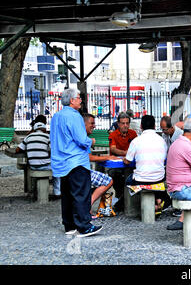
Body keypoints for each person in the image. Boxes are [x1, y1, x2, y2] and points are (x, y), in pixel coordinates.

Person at [50, 88, 102, 237]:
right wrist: (90, 141)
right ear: (72, 100)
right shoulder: (75, 116)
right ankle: (84, 226)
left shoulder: (56, 116)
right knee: (81, 194)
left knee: (67, 194)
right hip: (76, 161)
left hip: (61, 161)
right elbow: (80, 139)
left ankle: (69, 225)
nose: (80, 100)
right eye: (78, 97)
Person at [123, 115, 169, 214]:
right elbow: (164, 158)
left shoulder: (136, 141)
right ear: (154, 126)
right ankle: (159, 200)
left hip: (140, 180)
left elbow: (127, 161)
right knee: (155, 177)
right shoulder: (162, 141)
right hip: (159, 178)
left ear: (141, 126)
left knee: (127, 180)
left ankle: (130, 207)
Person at [83, 113, 118, 217]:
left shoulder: (83, 137)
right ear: (84, 124)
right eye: (92, 123)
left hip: (76, 170)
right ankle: (88, 205)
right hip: (82, 171)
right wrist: (107, 157)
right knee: (108, 180)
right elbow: (89, 157)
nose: (94, 126)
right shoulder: (84, 139)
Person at [16, 121, 60, 199]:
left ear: (34, 129)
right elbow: (53, 150)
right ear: (44, 129)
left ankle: (31, 190)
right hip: (44, 165)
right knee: (58, 169)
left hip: (32, 166)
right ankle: (57, 192)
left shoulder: (28, 137)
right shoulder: (47, 136)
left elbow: (17, 149)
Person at [108, 111, 138, 212]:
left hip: (130, 164)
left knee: (131, 174)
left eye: (127, 123)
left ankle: (123, 201)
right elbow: (113, 149)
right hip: (117, 165)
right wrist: (126, 153)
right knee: (113, 173)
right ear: (118, 124)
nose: (125, 125)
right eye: (123, 123)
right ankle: (121, 197)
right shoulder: (113, 135)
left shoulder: (133, 134)